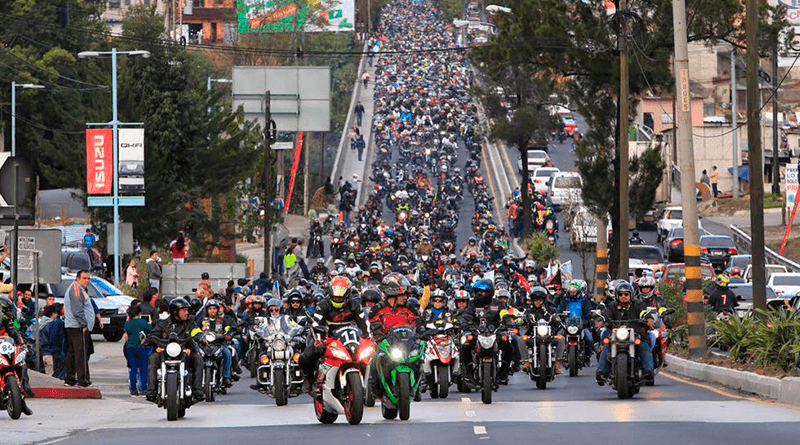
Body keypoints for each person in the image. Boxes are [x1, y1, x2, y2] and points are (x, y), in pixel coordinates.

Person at [299, 275, 368, 393]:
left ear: (348, 294)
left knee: (373, 355)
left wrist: (368, 339)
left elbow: (363, 324)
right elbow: (316, 324)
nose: (338, 298)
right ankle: (308, 378)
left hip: (350, 338)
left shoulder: (355, 305)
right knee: (305, 357)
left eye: (341, 295)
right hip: (328, 337)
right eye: (335, 295)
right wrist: (319, 342)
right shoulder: (323, 304)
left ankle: (372, 384)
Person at [146, 298, 204, 403]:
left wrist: (200, 337)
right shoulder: (163, 323)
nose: (186, 313)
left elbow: (197, 331)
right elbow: (154, 334)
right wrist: (149, 339)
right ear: (175, 311)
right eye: (183, 310)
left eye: (187, 310)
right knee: (153, 358)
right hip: (166, 353)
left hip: (185, 352)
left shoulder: (190, 322)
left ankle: (197, 390)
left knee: (198, 358)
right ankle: (151, 391)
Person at [595, 281, 653, 384]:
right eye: (620, 294)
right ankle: (601, 371)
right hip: (615, 334)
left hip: (635, 333)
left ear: (631, 295)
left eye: (626, 294)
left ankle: (648, 371)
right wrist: (602, 321)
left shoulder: (638, 304)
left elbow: (644, 312)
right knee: (606, 346)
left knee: (644, 346)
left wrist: (648, 319)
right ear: (616, 295)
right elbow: (607, 315)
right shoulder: (612, 305)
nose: (623, 296)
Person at [0, 297, 33, 415]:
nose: (9, 313)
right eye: (7, 310)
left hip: (6, 349)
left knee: (21, 364)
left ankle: (22, 399)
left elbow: (15, 333)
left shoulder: (7, 322)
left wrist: (23, 345)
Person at [191, 300, 232, 388]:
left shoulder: (222, 320)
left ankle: (226, 377)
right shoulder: (201, 319)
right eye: (210, 308)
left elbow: (228, 329)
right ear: (207, 310)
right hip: (204, 345)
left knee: (228, 353)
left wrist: (227, 335)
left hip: (218, 344)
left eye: (214, 308)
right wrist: (197, 336)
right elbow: (195, 330)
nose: (212, 310)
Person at [64, 270, 94, 387]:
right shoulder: (76, 289)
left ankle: (70, 378)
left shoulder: (79, 289)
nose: (87, 281)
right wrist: (83, 324)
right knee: (81, 353)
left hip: (73, 326)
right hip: (77, 326)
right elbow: (77, 309)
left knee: (72, 352)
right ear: (77, 278)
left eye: (88, 278)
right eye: (84, 278)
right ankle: (82, 379)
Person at [124, 305, 153, 396]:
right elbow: (150, 330)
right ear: (139, 313)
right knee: (143, 369)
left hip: (130, 347)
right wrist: (150, 323)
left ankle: (133, 389)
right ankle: (144, 389)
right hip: (142, 347)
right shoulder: (143, 322)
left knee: (133, 369)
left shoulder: (127, 323)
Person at [38, 304, 65, 379]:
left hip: (45, 352)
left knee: (49, 375)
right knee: (51, 377)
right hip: (50, 352)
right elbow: (52, 339)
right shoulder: (53, 324)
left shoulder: (43, 323)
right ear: (53, 313)